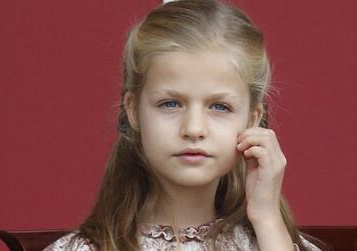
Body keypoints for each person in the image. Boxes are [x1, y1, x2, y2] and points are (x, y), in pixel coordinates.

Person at [44, 0, 324, 250]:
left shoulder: (276, 242)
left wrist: (267, 219)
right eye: (170, 103)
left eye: (219, 106)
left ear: (252, 120)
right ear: (133, 110)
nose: (193, 128)